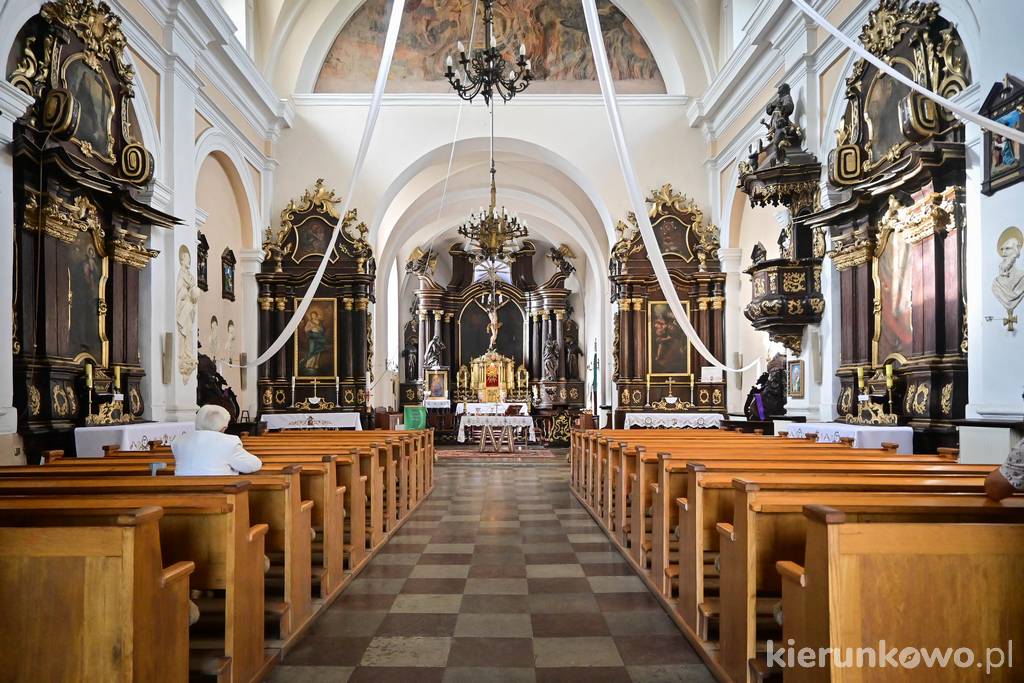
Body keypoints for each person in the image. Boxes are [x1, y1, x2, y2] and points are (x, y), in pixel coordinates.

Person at [172, 404, 261, 476]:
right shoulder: (229, 442)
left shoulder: (178, 441)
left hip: (181, 494)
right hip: (220, 494)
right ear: (223, 428)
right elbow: (253, 465)